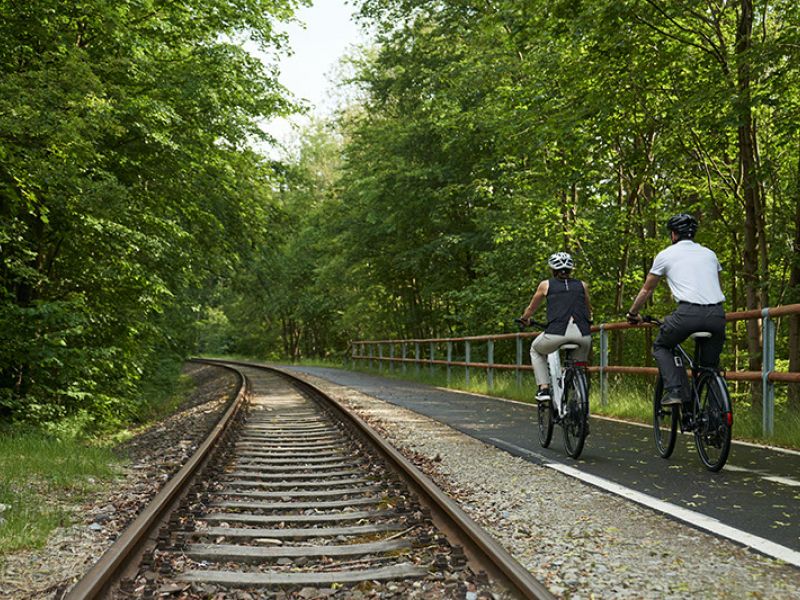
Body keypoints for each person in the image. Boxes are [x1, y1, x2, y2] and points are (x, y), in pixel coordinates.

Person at [626, 213, 726, 406]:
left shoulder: (665, 255)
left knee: (662, 346)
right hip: (717, 314)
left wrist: (632, 313)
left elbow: (647, 289)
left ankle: (676, 390)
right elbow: (717, 285)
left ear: (673, 234)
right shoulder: (710, 254)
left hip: (687, 314)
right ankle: (715, 420)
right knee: (710, 368)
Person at [519, 251, 593, 402]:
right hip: (583, 335)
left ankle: (544, 388)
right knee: (577, 366)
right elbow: (589, 310)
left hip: (556, 334)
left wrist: (525, 319)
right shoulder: (582, 285)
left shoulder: (545, 285)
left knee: (535, 350)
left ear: (553, 269)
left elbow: (531, 309)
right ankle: (577, 402)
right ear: (571, 269)